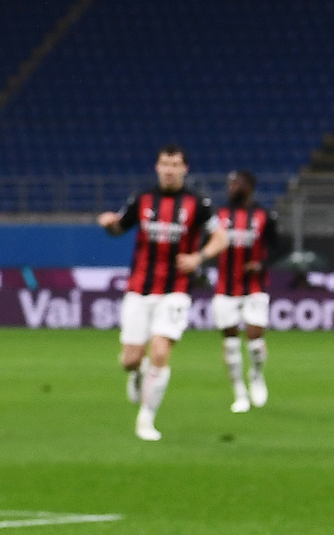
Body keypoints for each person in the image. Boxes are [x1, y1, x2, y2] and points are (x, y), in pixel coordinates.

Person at [97, 145, 226, 441]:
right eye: (165, 164)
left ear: (184, 169)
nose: (169, 170)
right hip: (139, 289)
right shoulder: (141, 199)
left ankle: (146, 419)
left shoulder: (199, 203)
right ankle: (136, 372)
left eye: (175, 164)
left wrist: (198, 258)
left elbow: (221, 238)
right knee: (130, 359)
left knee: (159, 350)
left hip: (176, 290)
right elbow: (119, 229)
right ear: (157, 167)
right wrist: (109, 225)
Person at [206, 169, 277, 413]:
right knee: (231, 343)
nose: (232, 188)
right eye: (230, 184)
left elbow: (278, 247)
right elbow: (206, 244)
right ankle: (239, 392)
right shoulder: (219, 216)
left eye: (237, 184)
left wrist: (262, 264)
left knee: (255, 341)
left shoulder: (264, 215)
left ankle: (256, 375)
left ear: (249, 187)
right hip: (225, 288)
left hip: (254, 287)